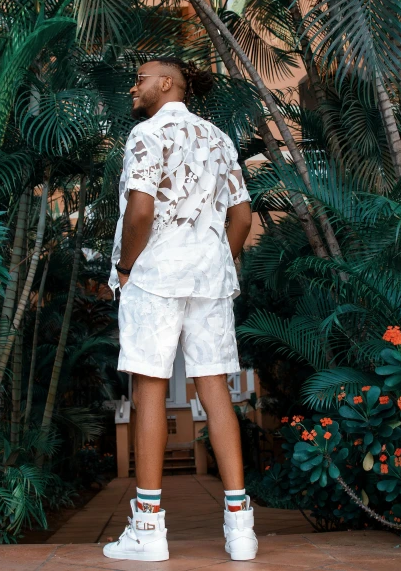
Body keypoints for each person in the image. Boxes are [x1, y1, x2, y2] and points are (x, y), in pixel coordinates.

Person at [103, 57, 257, 562]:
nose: (134, 85)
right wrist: (216, 260)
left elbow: (141, 210)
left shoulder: (147, 134)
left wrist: (126, 267)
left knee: (149, 383)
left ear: (165, 84)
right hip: (208, 276)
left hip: (156, 274)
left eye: (140, 77)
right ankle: (241, 530)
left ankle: (147, 528)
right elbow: (241, 213)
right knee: (214, 386)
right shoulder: (218, 137)